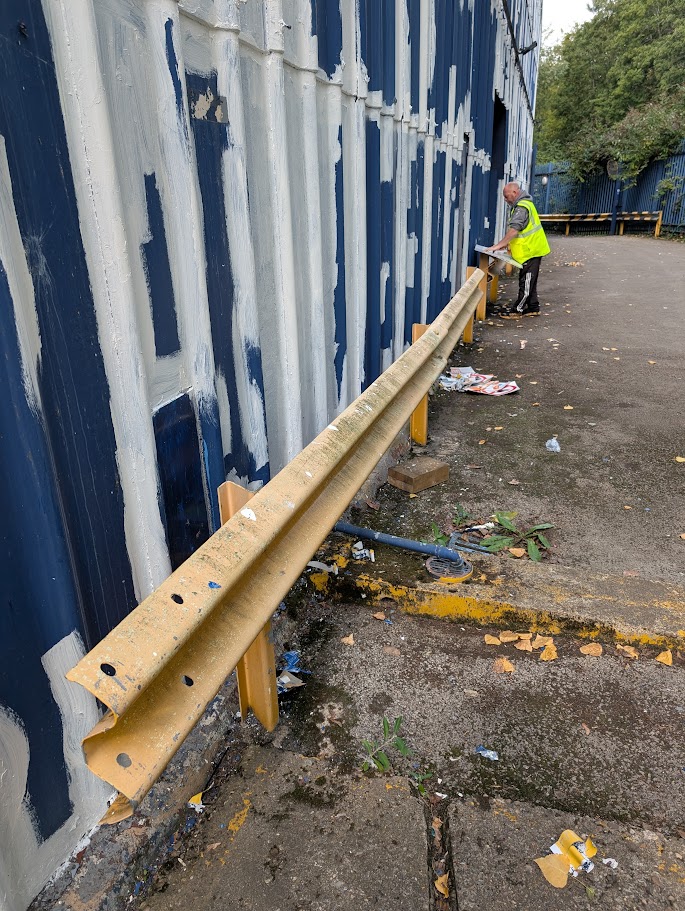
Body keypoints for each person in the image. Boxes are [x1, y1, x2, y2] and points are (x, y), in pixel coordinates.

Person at [485, 181, 550, 318]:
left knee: (526, 282)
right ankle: (533, 307)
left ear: (514, 193)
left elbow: (515, 230)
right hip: (531, 249)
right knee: (529, 281)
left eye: (506, 196)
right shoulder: (523, 204)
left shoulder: (521, 207)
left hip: (530, 250)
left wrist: (499, 245)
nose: (505, 199)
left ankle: (517, 310)